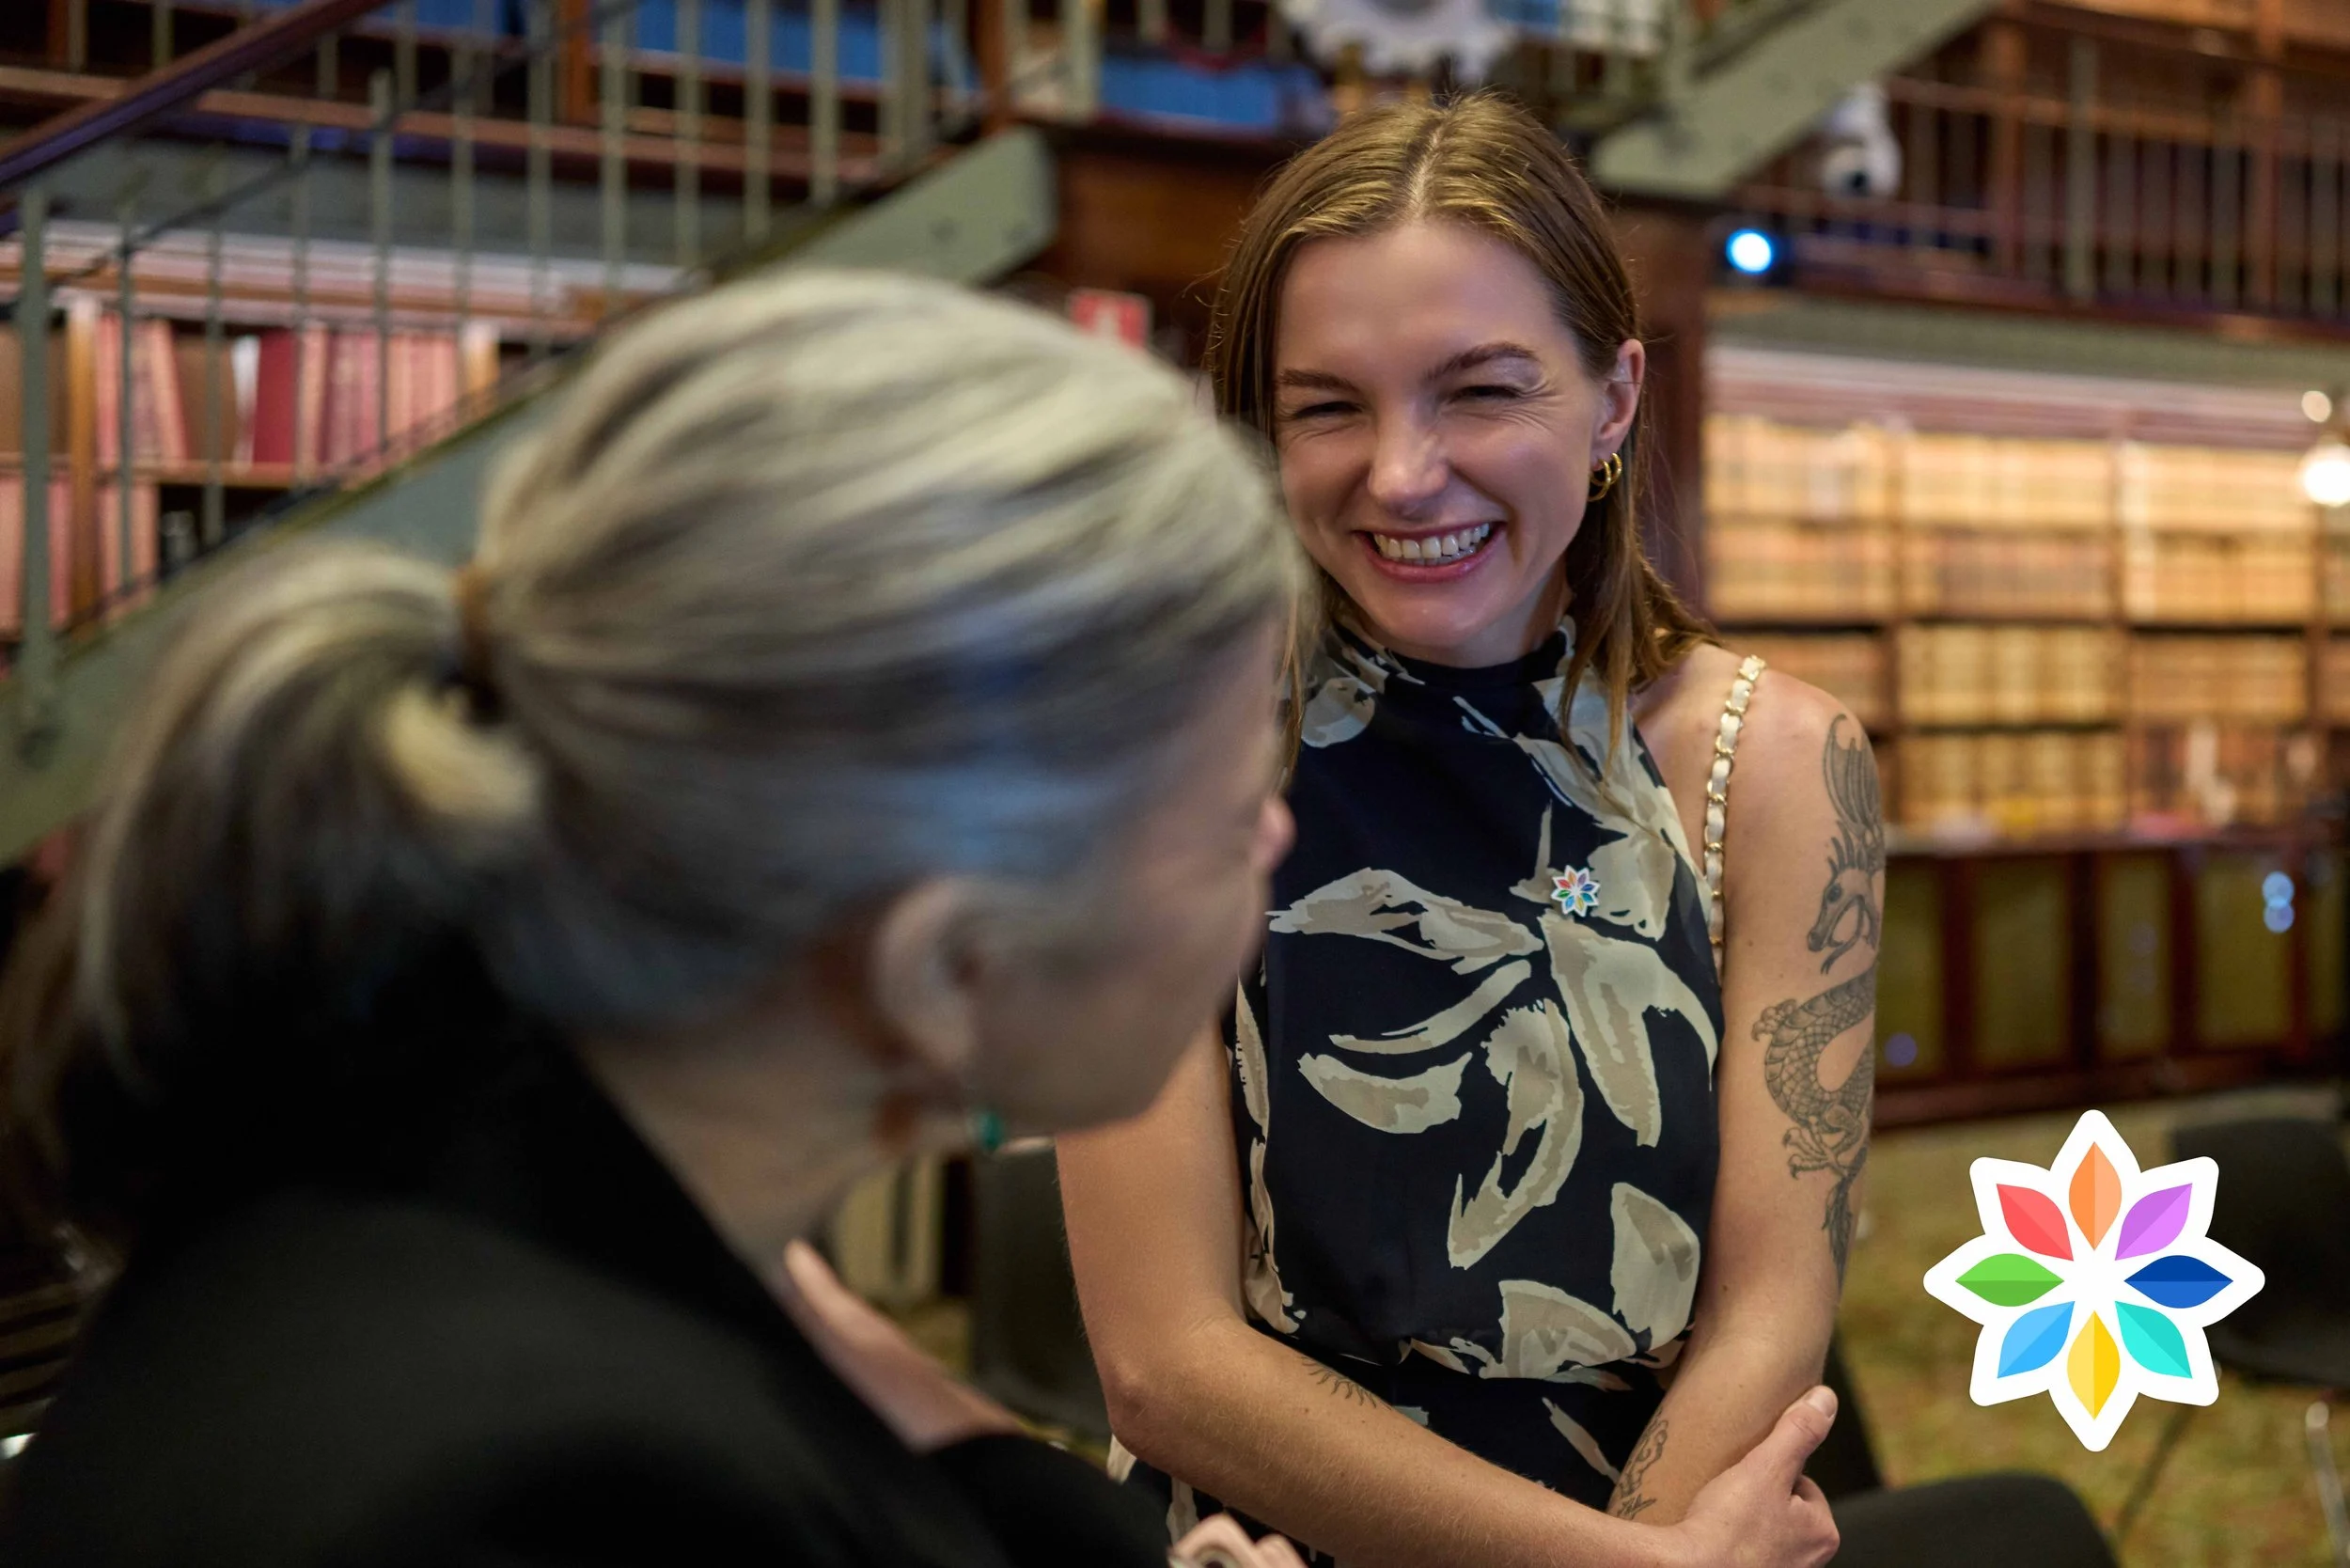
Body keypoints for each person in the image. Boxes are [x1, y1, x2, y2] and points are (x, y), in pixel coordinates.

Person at [0, 270, 1319, 1567]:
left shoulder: (415, 1153)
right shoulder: (564, 1488)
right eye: (1222, 815)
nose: (1277, 837)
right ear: (944, 970)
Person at [1058, 92, 1876, 1568]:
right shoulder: (1148, 752)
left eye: (1482, 390)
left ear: (1615, 397)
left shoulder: (1778, 766)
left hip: (1673, 1517)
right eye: (1327, 405)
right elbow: (1166, 1360)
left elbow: (1770, 1304)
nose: (1401, 473)